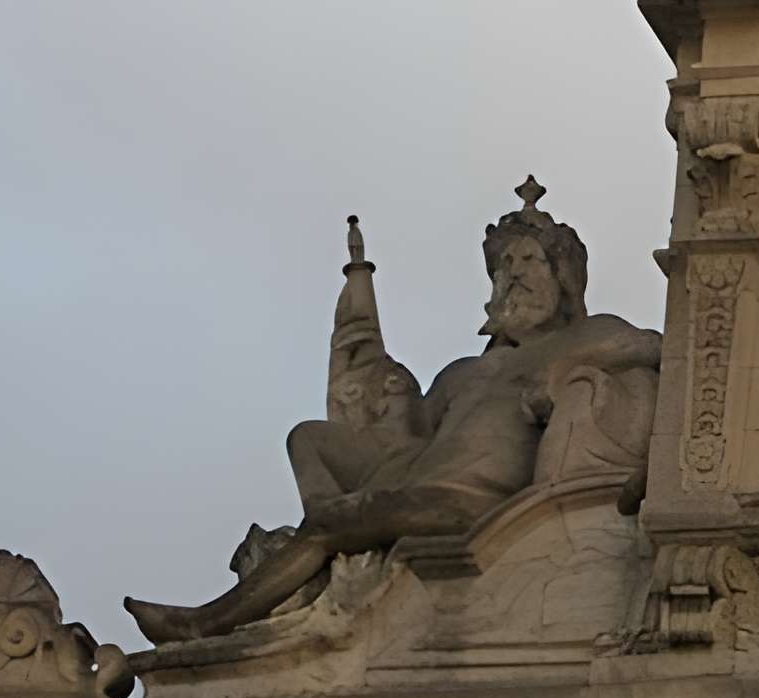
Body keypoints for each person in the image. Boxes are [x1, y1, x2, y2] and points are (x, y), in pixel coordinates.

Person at [130, 184, 659, 642]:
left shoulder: (591, 335)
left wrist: (562, 372)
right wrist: (383, 385)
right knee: (307, 437)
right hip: (413, 483)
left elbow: (657, 346)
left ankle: (207, 621)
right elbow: (409, 440)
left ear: (563, 279)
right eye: (504, 265)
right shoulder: (462, 373)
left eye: (528, 261)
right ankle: (331, 541)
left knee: (331, 524)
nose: (513, 274)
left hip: (477, 504)